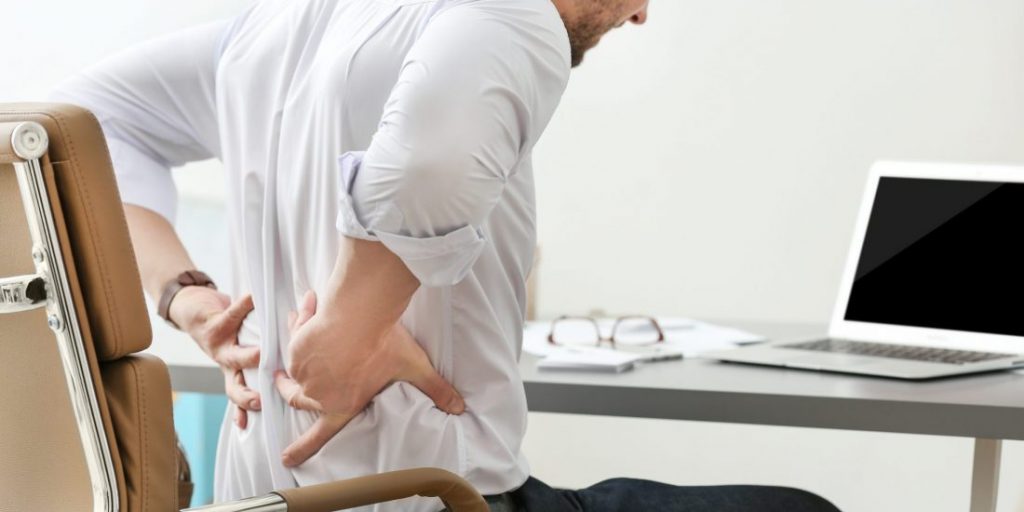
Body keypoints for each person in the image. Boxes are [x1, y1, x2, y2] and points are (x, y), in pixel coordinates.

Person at [52, 0, 841, 510]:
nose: (639, 13)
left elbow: (81, 121)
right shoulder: (511, 15)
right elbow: (430, 166)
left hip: (261, 500)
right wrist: (350, 332)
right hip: (435, 498)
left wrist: (188, 297)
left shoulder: (276, 27)